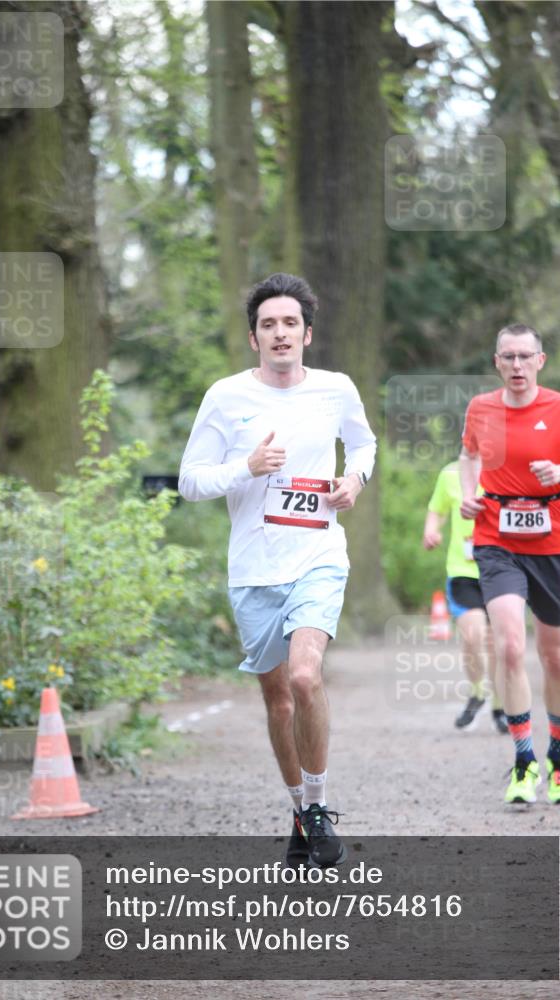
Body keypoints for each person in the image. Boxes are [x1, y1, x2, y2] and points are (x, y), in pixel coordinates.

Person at [179, 273, 376, 865]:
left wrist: (354, 480)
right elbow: (190, 481)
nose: (280, 333)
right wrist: (247, 466)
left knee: (305, 678)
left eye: (291, 323)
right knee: (279, 700)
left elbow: (363, 445)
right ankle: (298, 810)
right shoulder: (226, 397)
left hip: (318, 555)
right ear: (254, 338)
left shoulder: (336, 389)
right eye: (269, 324)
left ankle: (316, 807)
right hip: (253, 569)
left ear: (307, 334)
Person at [459, 323, 560, 805]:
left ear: (540, 361)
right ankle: (524, 761)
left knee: (555, 655)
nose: (516, 365)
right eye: (507, 357)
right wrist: (468, 495)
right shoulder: (480, 408)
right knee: (509, 645)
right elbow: (467, 455)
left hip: (553, 541)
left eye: (525, 356)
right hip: (496, 538)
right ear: (496, 362)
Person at [423, 461, 508, 733]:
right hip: (463, 571)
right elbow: (437, 509)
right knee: (473, 636)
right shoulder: (450, 473)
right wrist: (431, 530)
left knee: (497, 643)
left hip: (502, 570)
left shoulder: (507, 469)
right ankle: (477, 692)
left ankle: (499, 706)